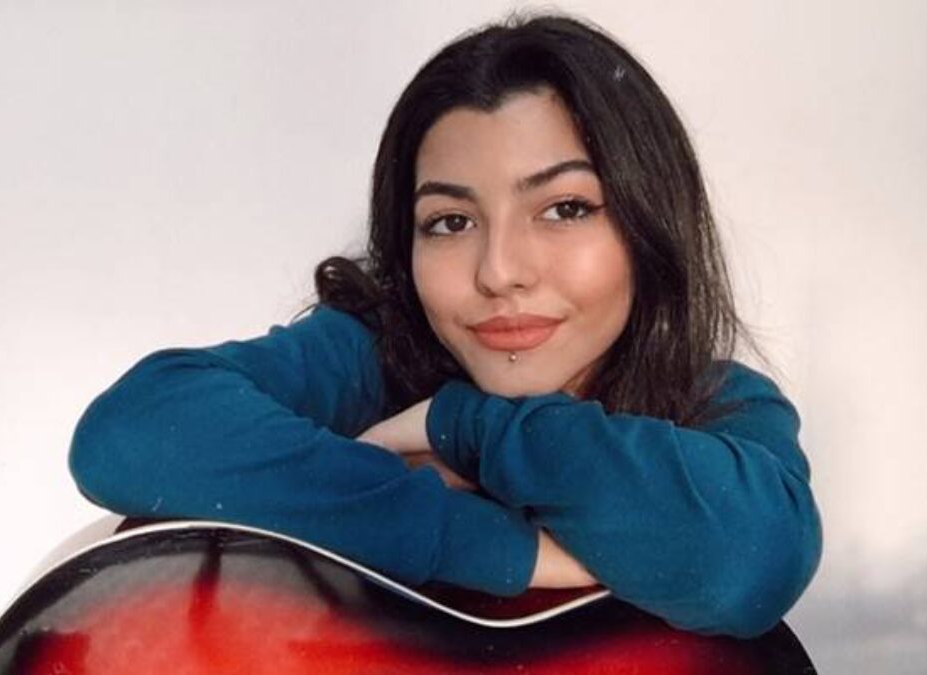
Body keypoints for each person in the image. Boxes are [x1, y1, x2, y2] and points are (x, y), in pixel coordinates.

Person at [68, 14, 821, 639]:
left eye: (565, 208)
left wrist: (463, 424)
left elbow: (747, 565)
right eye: (451, 221)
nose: (499, 271)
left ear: (649, 223)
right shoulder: (374, 354)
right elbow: (130, 432)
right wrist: (511, 551)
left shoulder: (718, 405)